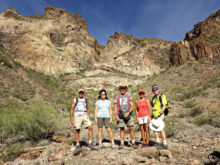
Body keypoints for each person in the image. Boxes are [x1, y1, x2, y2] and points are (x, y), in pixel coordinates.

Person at [114, 84, 137, 149]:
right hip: (120, 115)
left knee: (130, 128)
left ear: (126, 89)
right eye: (121, 88)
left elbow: (132, 106)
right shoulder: (117, 97)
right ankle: (122, 143)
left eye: (124, 88)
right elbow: (115, 107)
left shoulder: (129, 97)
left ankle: (133, 143)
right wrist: (116, 115)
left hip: (128, 115)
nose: (123, 89)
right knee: (121, 129)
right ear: (120, 89)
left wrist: (128, 112)